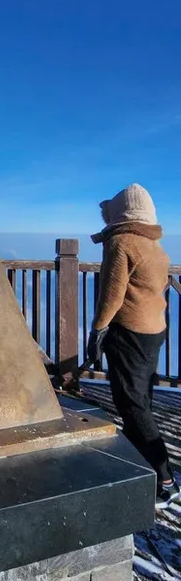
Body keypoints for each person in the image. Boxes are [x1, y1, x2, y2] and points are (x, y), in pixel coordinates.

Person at [87, 184, 179, 510]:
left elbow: (113, 295)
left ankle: (165, 480)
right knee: (142, 400)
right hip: (155, 331)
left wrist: (97, 330)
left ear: (119, 213)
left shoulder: (121, 241)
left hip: (129, 332)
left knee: (131, 404)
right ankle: (142, 462)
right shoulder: (155, 246)